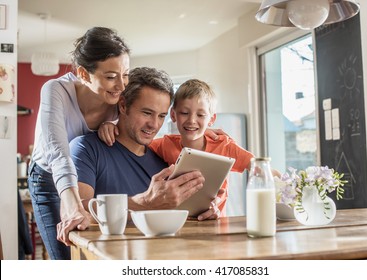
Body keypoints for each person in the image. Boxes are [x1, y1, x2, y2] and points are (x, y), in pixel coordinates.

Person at [28, 27, 130, 259]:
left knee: (94, 252)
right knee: (65, 253)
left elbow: (145, 124)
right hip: (47, 177)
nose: (122, 86)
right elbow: (58, 154)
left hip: (87, 174)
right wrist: (73, 206)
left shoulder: (118, 98)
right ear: (83, 74)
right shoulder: (55, 91)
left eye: (126, 74)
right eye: (111, 76)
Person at [69, 67, 206, 218]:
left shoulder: (164, 160)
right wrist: (146, 203)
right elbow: (79, 211)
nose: (154, 125)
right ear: (123, 105)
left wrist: (204, 212)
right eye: (147, 113)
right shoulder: (86, 149)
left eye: (161, 116)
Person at [148, 79, 256, 218]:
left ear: (211, 119)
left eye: (200, 115)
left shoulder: (224, 145)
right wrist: (111, 125)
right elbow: (133, 143)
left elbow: (257, 165)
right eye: (184, 113)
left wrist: (287, 188)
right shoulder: (165, 144)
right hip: (179, 224)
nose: (192, 120)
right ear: (174, 115)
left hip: (216, 225)